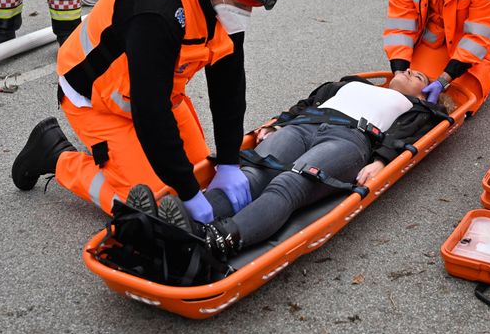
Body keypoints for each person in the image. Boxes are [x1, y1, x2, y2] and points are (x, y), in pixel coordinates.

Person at [10, 0, 286, 223]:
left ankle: (146, 168)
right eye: (239, 3)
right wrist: (188, 193)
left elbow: (228, 85)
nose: (243, 12)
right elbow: (150, 111)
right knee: (152, 209)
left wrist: (229, 162)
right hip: (97, 100)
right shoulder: (158, 8)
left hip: (158, 94)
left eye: (250, 6)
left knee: (200, 175)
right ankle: (54, 154)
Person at [125, 69, 445, 261]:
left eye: (419, 77)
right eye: (409, 69)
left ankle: (219, 239)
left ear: (424, 94)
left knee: (288, 184)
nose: (410, 72)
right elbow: (308, 102)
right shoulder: (351, 83)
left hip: (348, 141)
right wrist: (278, 124)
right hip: (303, 127)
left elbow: (407, 137)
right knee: (251, 175)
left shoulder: (416, 108)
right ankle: (182, 223)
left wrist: (380, 161)